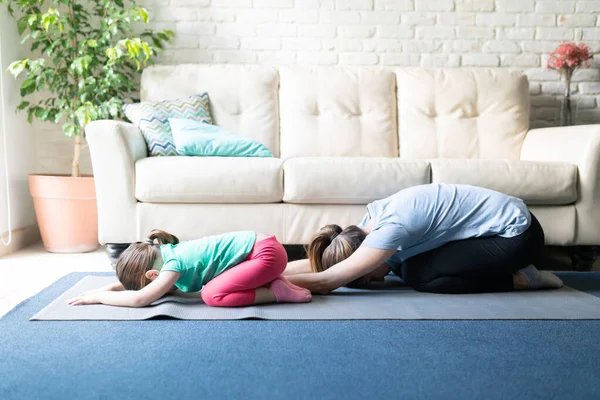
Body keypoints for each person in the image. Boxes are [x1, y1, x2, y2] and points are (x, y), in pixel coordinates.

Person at [284, 184, 564, 295]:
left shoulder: (391, 229)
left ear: (365, 258)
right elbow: (322, 265)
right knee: (407, 267)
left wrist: (259, 284)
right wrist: (265, 267)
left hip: (518, 235)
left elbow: (327, 280)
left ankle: (524, 279)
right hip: (493, 230)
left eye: (368, 277)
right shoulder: (361, 229)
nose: (377, 280)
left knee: (422, 277)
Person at [68, 230, 311, 307]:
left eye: (157, 284)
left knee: (212, 295)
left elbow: (140, 299)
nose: (163, 289)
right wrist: (114, 286)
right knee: (215, 287)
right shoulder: (167, 252)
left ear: (153, 275)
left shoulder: (173, 265)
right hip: (264, 247)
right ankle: (275, 283)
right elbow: (144, 286)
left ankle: (277, 293)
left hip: (266, 256)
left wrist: (100, 297)